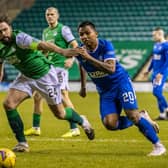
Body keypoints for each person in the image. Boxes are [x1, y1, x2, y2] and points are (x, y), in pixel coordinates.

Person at [0, 15, 95, 152]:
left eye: (5, 30)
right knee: (8, 104)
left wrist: (63, 51)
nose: (3, 34)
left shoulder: (20, 38)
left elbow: (43, 44)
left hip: (45, 75)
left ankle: (82, 120)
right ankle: (22, 143)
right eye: (0, 32)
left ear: (10, 28)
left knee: (60, 114)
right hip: (26, 76)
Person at [74, 21, 166, 156]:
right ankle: (142, 116)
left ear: (96, 34)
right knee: (110, 124)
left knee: (132, 115)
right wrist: (83, 86)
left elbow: (111, 68)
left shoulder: (105, 45)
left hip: (121, 83)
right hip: (105, 91)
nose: (84, 36)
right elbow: (82, 65)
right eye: (81, 34)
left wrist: (88, 57)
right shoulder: (80, 51)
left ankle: (158, 146)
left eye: (88, 33)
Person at [24, 7, 80, 138]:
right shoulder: (45, 32)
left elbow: (75, 45)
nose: (49, 16)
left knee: (63, 95)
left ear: (57, 16)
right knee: (37, 96)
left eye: (52, 14)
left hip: (60, 67)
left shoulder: (63, 29)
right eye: (47, 15)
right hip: (49, 68)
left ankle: (74, 128)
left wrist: (71, 58)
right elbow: (45, 50)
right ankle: (36, 128)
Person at [144, 27, 168, 120]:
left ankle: (166, 108)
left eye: (154, 35)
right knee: (158, 92)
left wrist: (161, 73)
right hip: (155, 72)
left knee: (156, 92)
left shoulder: (166, 45)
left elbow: (167, 61)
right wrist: (149, 69)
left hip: (161, 73)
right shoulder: (156, 45)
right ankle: (162, 114)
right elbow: (154, 59)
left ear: (159, 34)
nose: (152, 37)